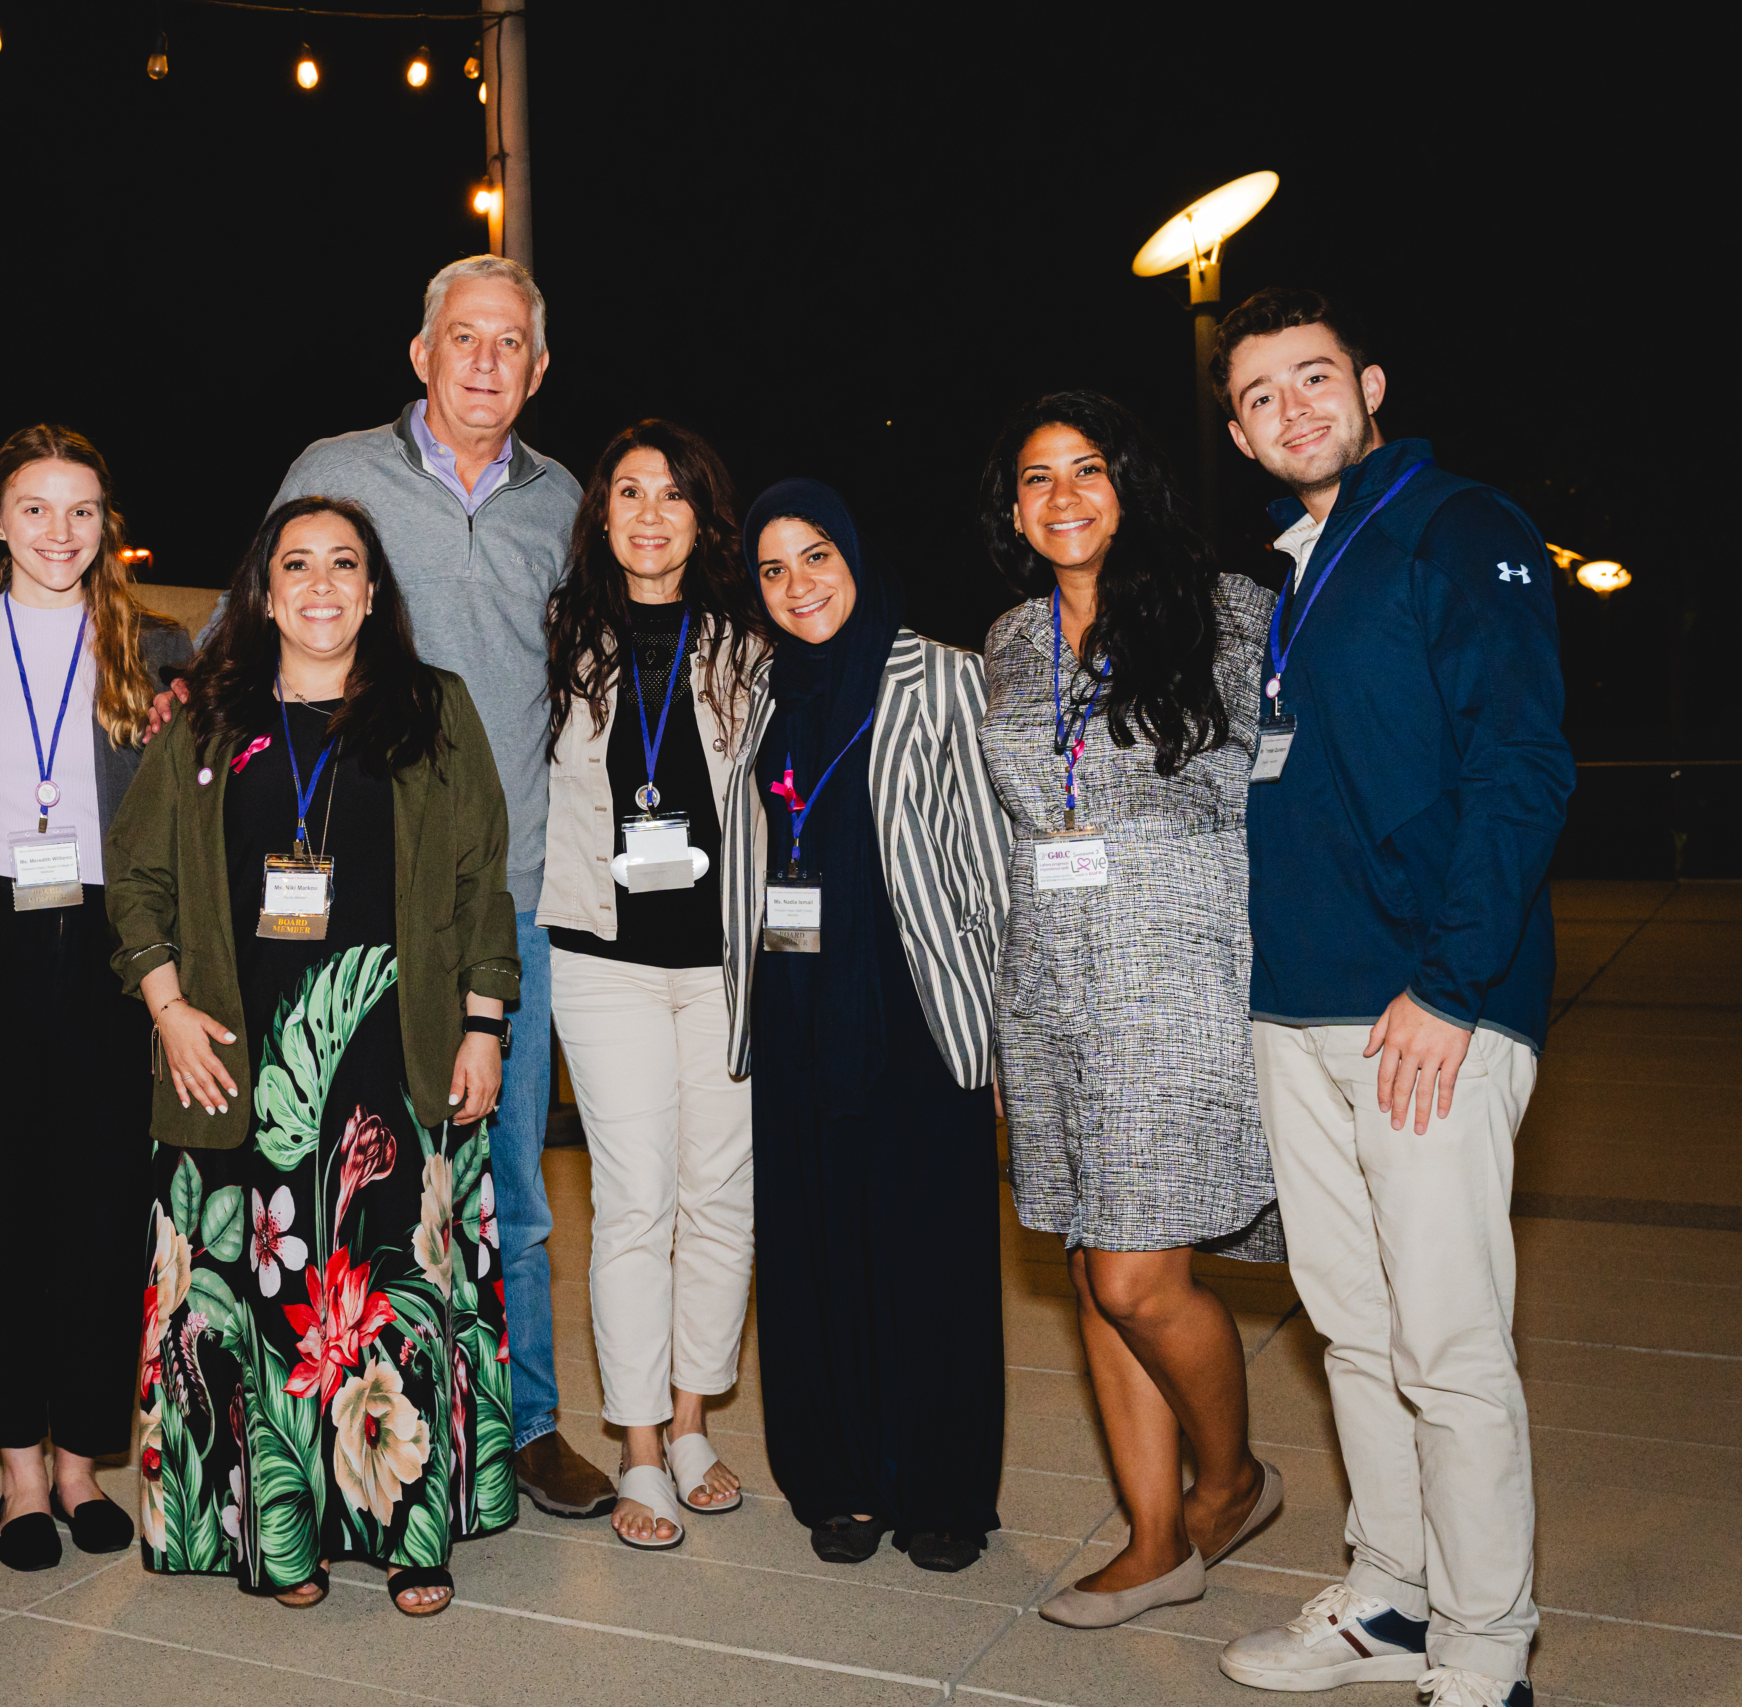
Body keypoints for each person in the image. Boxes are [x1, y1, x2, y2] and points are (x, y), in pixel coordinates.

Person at [157, 255, 607, 1516]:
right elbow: (254, 612)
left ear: (537, 367)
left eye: (508, 344)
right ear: (419, 354)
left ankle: (521, 1424)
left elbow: (595, 672)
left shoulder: (560, 501)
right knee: (328, 1173)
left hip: (493, 898)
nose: (483, 362)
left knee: (503, 1177)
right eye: (461, 338)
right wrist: (175, 694)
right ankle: (318, 1417)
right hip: (337, 900)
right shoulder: (335, 470)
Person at [1209, 291, 1569, 1707]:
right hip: (1295, 1006)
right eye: (1258, 396)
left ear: (1367, 383)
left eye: (1313, 379)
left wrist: (1450, 979)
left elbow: (1523, 767)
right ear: (1239, 434)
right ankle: (1393, 1592)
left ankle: (1488, 1647)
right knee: (1353, 1326)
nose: (1292, 409)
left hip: (1425, 1008)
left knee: (1450, 1340)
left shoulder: (1455, 527)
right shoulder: (1302, 570)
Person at [106, 496, 520, 1617]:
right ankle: (282, 1536)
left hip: (396, 1055)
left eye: (347, 564)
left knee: (393, 1293)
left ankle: (408, 1529)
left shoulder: (432, 710)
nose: (323, 584)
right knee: (260, 1295)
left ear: (375, 591)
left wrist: (484, 1025)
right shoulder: (203, 720)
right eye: (299, 564)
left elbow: (485, 881)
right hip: (233, 1061)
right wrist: (169, 1010)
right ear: (264, 588)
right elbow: (136, 880)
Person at [975, 392, 1287, 1628]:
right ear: (1011, 508)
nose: (1062, 496)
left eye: (1085, 469)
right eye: (1036, 478)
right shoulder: (1005, 637)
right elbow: (1018, 826)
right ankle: (1154, 1540)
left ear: (1128, 482)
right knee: (1087, 1259)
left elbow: (1286, 792)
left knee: (1134, 1280)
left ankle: (1235, 1479)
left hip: (1178, 966)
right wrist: (1004, 1017)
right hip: (1049, 975)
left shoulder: (1225, 611)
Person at [0, 425, 191, 1570]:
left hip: (107, 944)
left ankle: (82, 1462)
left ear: (105, 525)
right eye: (34, 508)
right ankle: (18, 1471)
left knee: (100, 1214)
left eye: (80, 511)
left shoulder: (161, 650)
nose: (58, 533)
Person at [718, 479, 1010, 1571]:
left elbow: (985, 867)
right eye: (772, 568)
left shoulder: (939, 676)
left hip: (912, 1011)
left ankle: (940, 1490)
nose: (797, 585)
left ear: (855, 555)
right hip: (793, 1012)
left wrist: (994, 1033)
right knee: (813, 1254)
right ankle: (834, 1476)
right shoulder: (763, 695)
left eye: (816, 557)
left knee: (926, 1255)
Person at [536, 420, 764, 1549]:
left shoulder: (746, 642)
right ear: (601, 514)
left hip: (725, 964)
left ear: (700, 517)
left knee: (720, 1197)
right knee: (633, 1200)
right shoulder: (559, 634)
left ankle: (689, 1423)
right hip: (603, 961)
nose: (649, 512)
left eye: (672, 494)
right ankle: (633, 1448)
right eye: (628, 492)